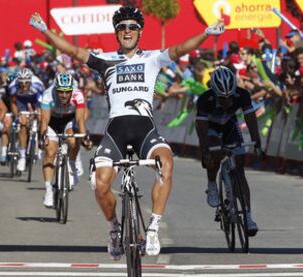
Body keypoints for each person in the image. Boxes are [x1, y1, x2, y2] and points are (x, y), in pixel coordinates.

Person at [30, 6, 225, 259]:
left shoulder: (153, 58)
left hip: (145, 130)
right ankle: (113, 229)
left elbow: (180, 49)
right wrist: (45, 30)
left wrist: (206, 33)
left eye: (132, 27)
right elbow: (72, 51)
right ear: (116, 32)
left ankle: (153, 228)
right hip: (116, 131)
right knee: (99, 185)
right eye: (122, 27)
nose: (127, 31)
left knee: (165, 163)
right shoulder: (105, 59)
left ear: (140, 31)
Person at [195, 66, 264, 236]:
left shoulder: (242, 95)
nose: (226, 101)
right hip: (210, 127)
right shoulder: (205, 99)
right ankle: (212, 183)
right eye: (222, 98)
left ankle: (248, 217)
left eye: (229, 97)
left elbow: (250, 118)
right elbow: (202, 130)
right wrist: (205, 151)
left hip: (229, 126)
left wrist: (257, 142)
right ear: (214, 92)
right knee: (215, 152)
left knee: (240, 170)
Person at [39, 72, 92, 207]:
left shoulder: (77, 95)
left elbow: (80, 119)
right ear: (56, 89)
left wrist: (84, 136)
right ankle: (49, 190)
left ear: (71, 90)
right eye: (61, 92)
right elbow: (44, 120)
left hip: (68, 120)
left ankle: (72, 165)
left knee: (74, 140)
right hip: (52, 121)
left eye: (67, 92)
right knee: (50, 153)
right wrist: (43, 135)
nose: (64, 95)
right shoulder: (47, 95)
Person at [5, 67, 44, 171]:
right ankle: (22, 156)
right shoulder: (13, 86)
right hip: (20, 101)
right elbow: (13, 102)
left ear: (30, 81)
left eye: (26, 83)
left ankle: (40, 144)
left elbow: (42, 103)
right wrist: (17, 114)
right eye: (21, 83)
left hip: (35, 99)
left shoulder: (38, 85)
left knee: (41, 118)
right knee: (22, 123)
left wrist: (36, 113)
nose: (24, 85)